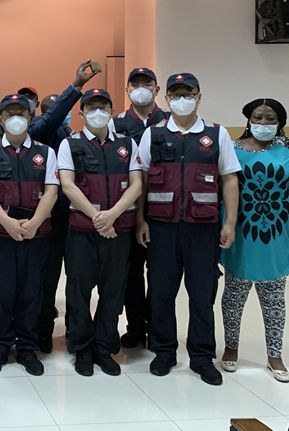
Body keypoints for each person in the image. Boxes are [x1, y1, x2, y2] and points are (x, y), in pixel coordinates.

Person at [136, 73, 241, 385]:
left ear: (198, 97)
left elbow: (229, 179)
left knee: (202, 294)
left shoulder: (217, 134)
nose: (182, 100)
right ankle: (164, 351)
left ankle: (201, 356)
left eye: (188, 94)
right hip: (161, 227)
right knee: (161, 293)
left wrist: (230, 222)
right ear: (167, 98)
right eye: (176, 94)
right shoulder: (153, 134)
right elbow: (141, 180)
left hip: (203, 229)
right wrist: (140, 220)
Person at [220, 98, 289, 382]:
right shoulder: (232, 150)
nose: (263, 123)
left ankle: (275, 355)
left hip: (277, 236)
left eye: (270, 119)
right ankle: (231, 348)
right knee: (233, 297)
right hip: (242, 233)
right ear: (248, 121)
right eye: (257, 118)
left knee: (274, 300)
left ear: (280, 122)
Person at [58, 89, 143, 376]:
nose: (98, 112)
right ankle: (82, 348)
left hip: (118, 231)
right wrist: (98, 218)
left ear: (111, 111)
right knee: (79, 291)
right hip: (82, 231)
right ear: (81, 113)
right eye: (91, 108)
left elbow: (136, 185)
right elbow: (68, 185)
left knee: (113, 291)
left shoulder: (127, 144)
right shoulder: (70, 144)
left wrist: (112, 215)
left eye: (103, 107)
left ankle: (104, 347)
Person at [0, 95, 59, 375]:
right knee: (0, 293)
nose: (15, 118)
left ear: (30, 118)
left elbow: (51, 191)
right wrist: (7, 222)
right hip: (0, 236)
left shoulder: (45, 153)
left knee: (31, 293)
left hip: (37, 235)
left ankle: (27, 348)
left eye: (21, 113)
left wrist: (35, 223)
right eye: (9, 113)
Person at [27, 61, 101, 353]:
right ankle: (43, 332)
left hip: (78, 219)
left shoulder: (75, 138)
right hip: (52, 220)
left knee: (78, 279)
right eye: (54, 108)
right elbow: (51, 118)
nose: (62, 113)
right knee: (47, 279)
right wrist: (76, 87)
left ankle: (76, 331)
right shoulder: (39, 130)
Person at [113, 68, 171, 349]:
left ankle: (158, 330)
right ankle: (135, 327)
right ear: (127, 90)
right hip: (126, 210)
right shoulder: (116, 124)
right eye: (134, 84)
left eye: (146, 84)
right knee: (131, 274)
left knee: (161, 275)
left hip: (163, 211)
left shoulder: (170, 122)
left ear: (157, 89)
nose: (140, 89)